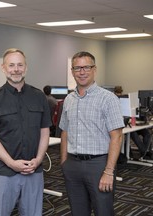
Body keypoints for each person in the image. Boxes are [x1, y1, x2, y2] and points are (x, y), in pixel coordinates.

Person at [0, 48, 51, 216]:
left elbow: (45, 131)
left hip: (34, 169)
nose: (16, 69)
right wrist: (12, 163)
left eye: (20, 65)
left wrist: (39, 159)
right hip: (5, 172)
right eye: (11, 65)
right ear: (4, 68)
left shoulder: (39, 97)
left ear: (26, 67)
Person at [59, 51, 124, 216]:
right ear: (72, 71)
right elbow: (65, 132)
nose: (82, 72)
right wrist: (64, 162)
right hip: (72, 164)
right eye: (77, 68)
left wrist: (109, 171)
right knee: (78, 211)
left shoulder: (108, 99)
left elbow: (117, 136)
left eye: (86, 67)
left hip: (99, 165)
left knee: (103, 211)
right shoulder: (68, 100)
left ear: (94, 69)